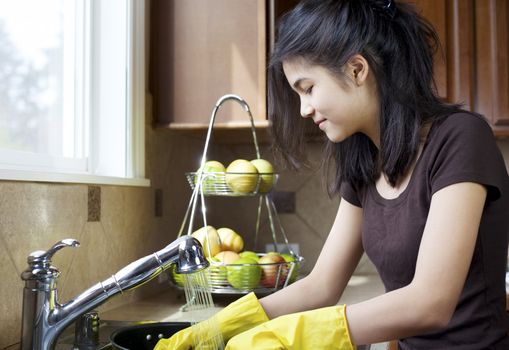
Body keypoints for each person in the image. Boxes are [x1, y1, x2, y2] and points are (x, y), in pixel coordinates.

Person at [156, 0, 509, 349]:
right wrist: (223, 325)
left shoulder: (461, 138)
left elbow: (431, 303)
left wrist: (295, 333)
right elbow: (322, 285)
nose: (304, 109)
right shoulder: (364, 161)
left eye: (308, 89)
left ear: (357, 69)